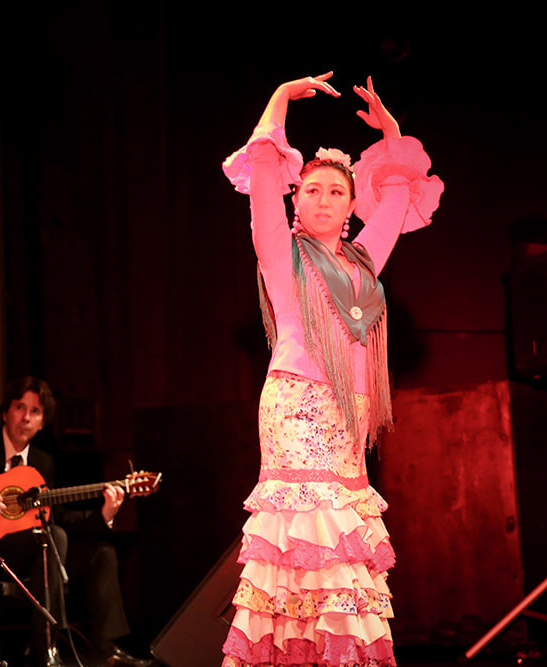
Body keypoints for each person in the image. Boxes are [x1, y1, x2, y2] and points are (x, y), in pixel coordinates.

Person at [219, 73, 443, 667]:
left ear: (349, 205)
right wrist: (278, 98)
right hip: (297, 407)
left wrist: (391, 132)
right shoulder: (282, 252)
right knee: (305, 542)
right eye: (312, 189)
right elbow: (263, 168)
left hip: (348, 415)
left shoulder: (364, 261)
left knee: (341, 553)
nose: (323, 199)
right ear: (296, 199)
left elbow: (396, 195)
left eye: (336, 192)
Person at [0, 377, 152, 667]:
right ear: (5, 412)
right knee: (52, 537)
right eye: (20, 408)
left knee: (100, 553)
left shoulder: (43, 462)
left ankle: (107, 650)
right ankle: (46, 648)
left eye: (35, 412)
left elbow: (57, 517)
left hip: (32, 553)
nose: (26, 418)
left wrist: (104, 514)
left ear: (43, 423)